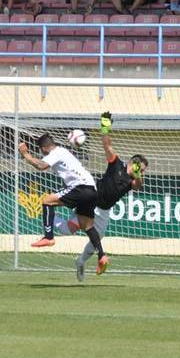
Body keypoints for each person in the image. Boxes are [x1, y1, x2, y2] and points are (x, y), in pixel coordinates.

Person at [53, 112, 147, 282]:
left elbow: (138, 186)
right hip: (91, 199)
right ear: (134, 163)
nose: (143, 172)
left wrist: (139, 175)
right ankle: (49, 215)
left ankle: (80, 261)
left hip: (104, 211)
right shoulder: (117, 164)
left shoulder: (133, 180)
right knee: (69, 230)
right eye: (142, 168)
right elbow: (107, 145)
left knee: (97, 238)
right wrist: (105, 128)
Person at [19, 134, 110, 275]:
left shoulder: (56, 152)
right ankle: (102, 255)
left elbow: (41, 166)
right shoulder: (63, 151)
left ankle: (48, 237)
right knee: (87, 226)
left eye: (41, 151)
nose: (42, 154)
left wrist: (26, 154)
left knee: (46, 201)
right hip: (92, 190)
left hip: (80, 187)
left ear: (44, 148)